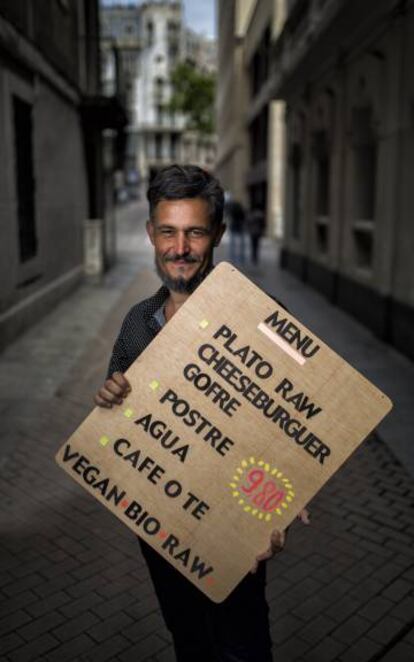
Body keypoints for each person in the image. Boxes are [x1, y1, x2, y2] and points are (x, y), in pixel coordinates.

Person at [94, 165, 309, 662]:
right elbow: (116, 413)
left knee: (243, 646)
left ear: (218, 233)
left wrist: (287, 498)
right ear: (151, 233)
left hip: (235, 519)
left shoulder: (260, 316)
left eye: (195, 231)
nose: (181, 247)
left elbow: (304, 417)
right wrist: (109, 397)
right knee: (188, 641)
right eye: (168, 231)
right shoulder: (136, 324)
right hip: (158, 519)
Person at [224, 194, 246, 265]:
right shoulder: (239, 208)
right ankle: (241, 258)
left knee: (233, 243)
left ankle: (233, 257)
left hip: (234, 225)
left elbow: (229, 215)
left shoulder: (232, 208)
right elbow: (243, 216)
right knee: (241, 243)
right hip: (240, 225)